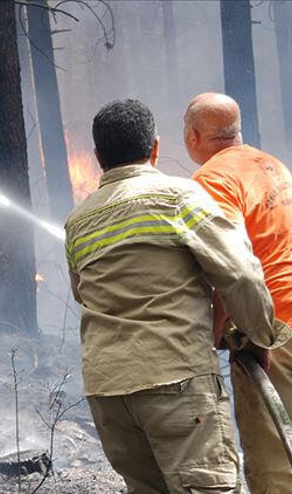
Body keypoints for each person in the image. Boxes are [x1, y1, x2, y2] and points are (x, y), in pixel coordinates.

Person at [65, 99, 290, 493]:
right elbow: (237, 271)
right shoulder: (182, 196)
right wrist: (258, 335)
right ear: (155, 147)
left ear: (98, 157)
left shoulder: (77, 222)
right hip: (176, 380)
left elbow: (81, 294)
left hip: (108, 394)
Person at [185, 92, 292, 492]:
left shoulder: (213, 179)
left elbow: (231, 264)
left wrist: (214, 332)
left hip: (273, 328)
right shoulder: (272, 165)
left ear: (193, 136)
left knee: (272, 461)